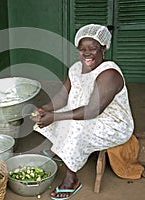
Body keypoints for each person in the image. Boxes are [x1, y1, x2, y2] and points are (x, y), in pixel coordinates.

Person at [30, 24, 134, 199]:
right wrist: (45, 109)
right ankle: (62, 149)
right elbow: (62, 97)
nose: (87, 54)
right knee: (62, 114)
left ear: (103, 48)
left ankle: (71, 178)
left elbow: (93, 110)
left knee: (76, 125)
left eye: (93, 49)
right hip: (84, 112)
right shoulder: (76, 69)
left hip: (113, 123)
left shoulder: (110, 74)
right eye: (82, 49)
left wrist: (55, 116)